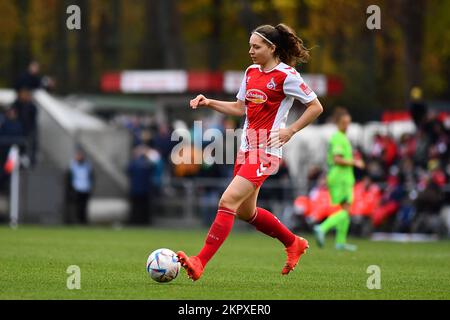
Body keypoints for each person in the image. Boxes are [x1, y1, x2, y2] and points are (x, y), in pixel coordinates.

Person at [176, 23, 323, 281]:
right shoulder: (251, 72)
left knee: (226, 201)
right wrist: (209, 101)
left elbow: (315, 106)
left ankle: (200, 261)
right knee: (246, 213)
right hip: (245, 150)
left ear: (272, 48)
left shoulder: (286, 75)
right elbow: (239, 107)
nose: (251, 51)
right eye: (250, 46)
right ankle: (293, 243)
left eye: (256, 46)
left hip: (265, 152)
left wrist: (291, 130)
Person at [313, 108, 365, 251]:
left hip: (341, 176)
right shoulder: (339, 138)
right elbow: (337, 159)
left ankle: (340, 242)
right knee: (346, 210)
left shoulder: (342, 138)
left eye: (348, 122)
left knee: (344, 209)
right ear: (337, 123)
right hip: (341, 177)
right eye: (343, 122)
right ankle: (322, 228)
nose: (346, 125)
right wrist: (355, 162)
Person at [67, 148, 94, 224]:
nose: (79, 157)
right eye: (78, 156)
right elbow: (70, 178)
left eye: (80, 155)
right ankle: (76, 220)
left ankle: (83, 221)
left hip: (86, 188)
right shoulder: (73, 165)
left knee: (84, 206)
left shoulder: (87, 165)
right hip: (76, 188)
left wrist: (91, 187)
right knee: (76, 206)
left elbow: (91, 177)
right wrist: (70, 189)